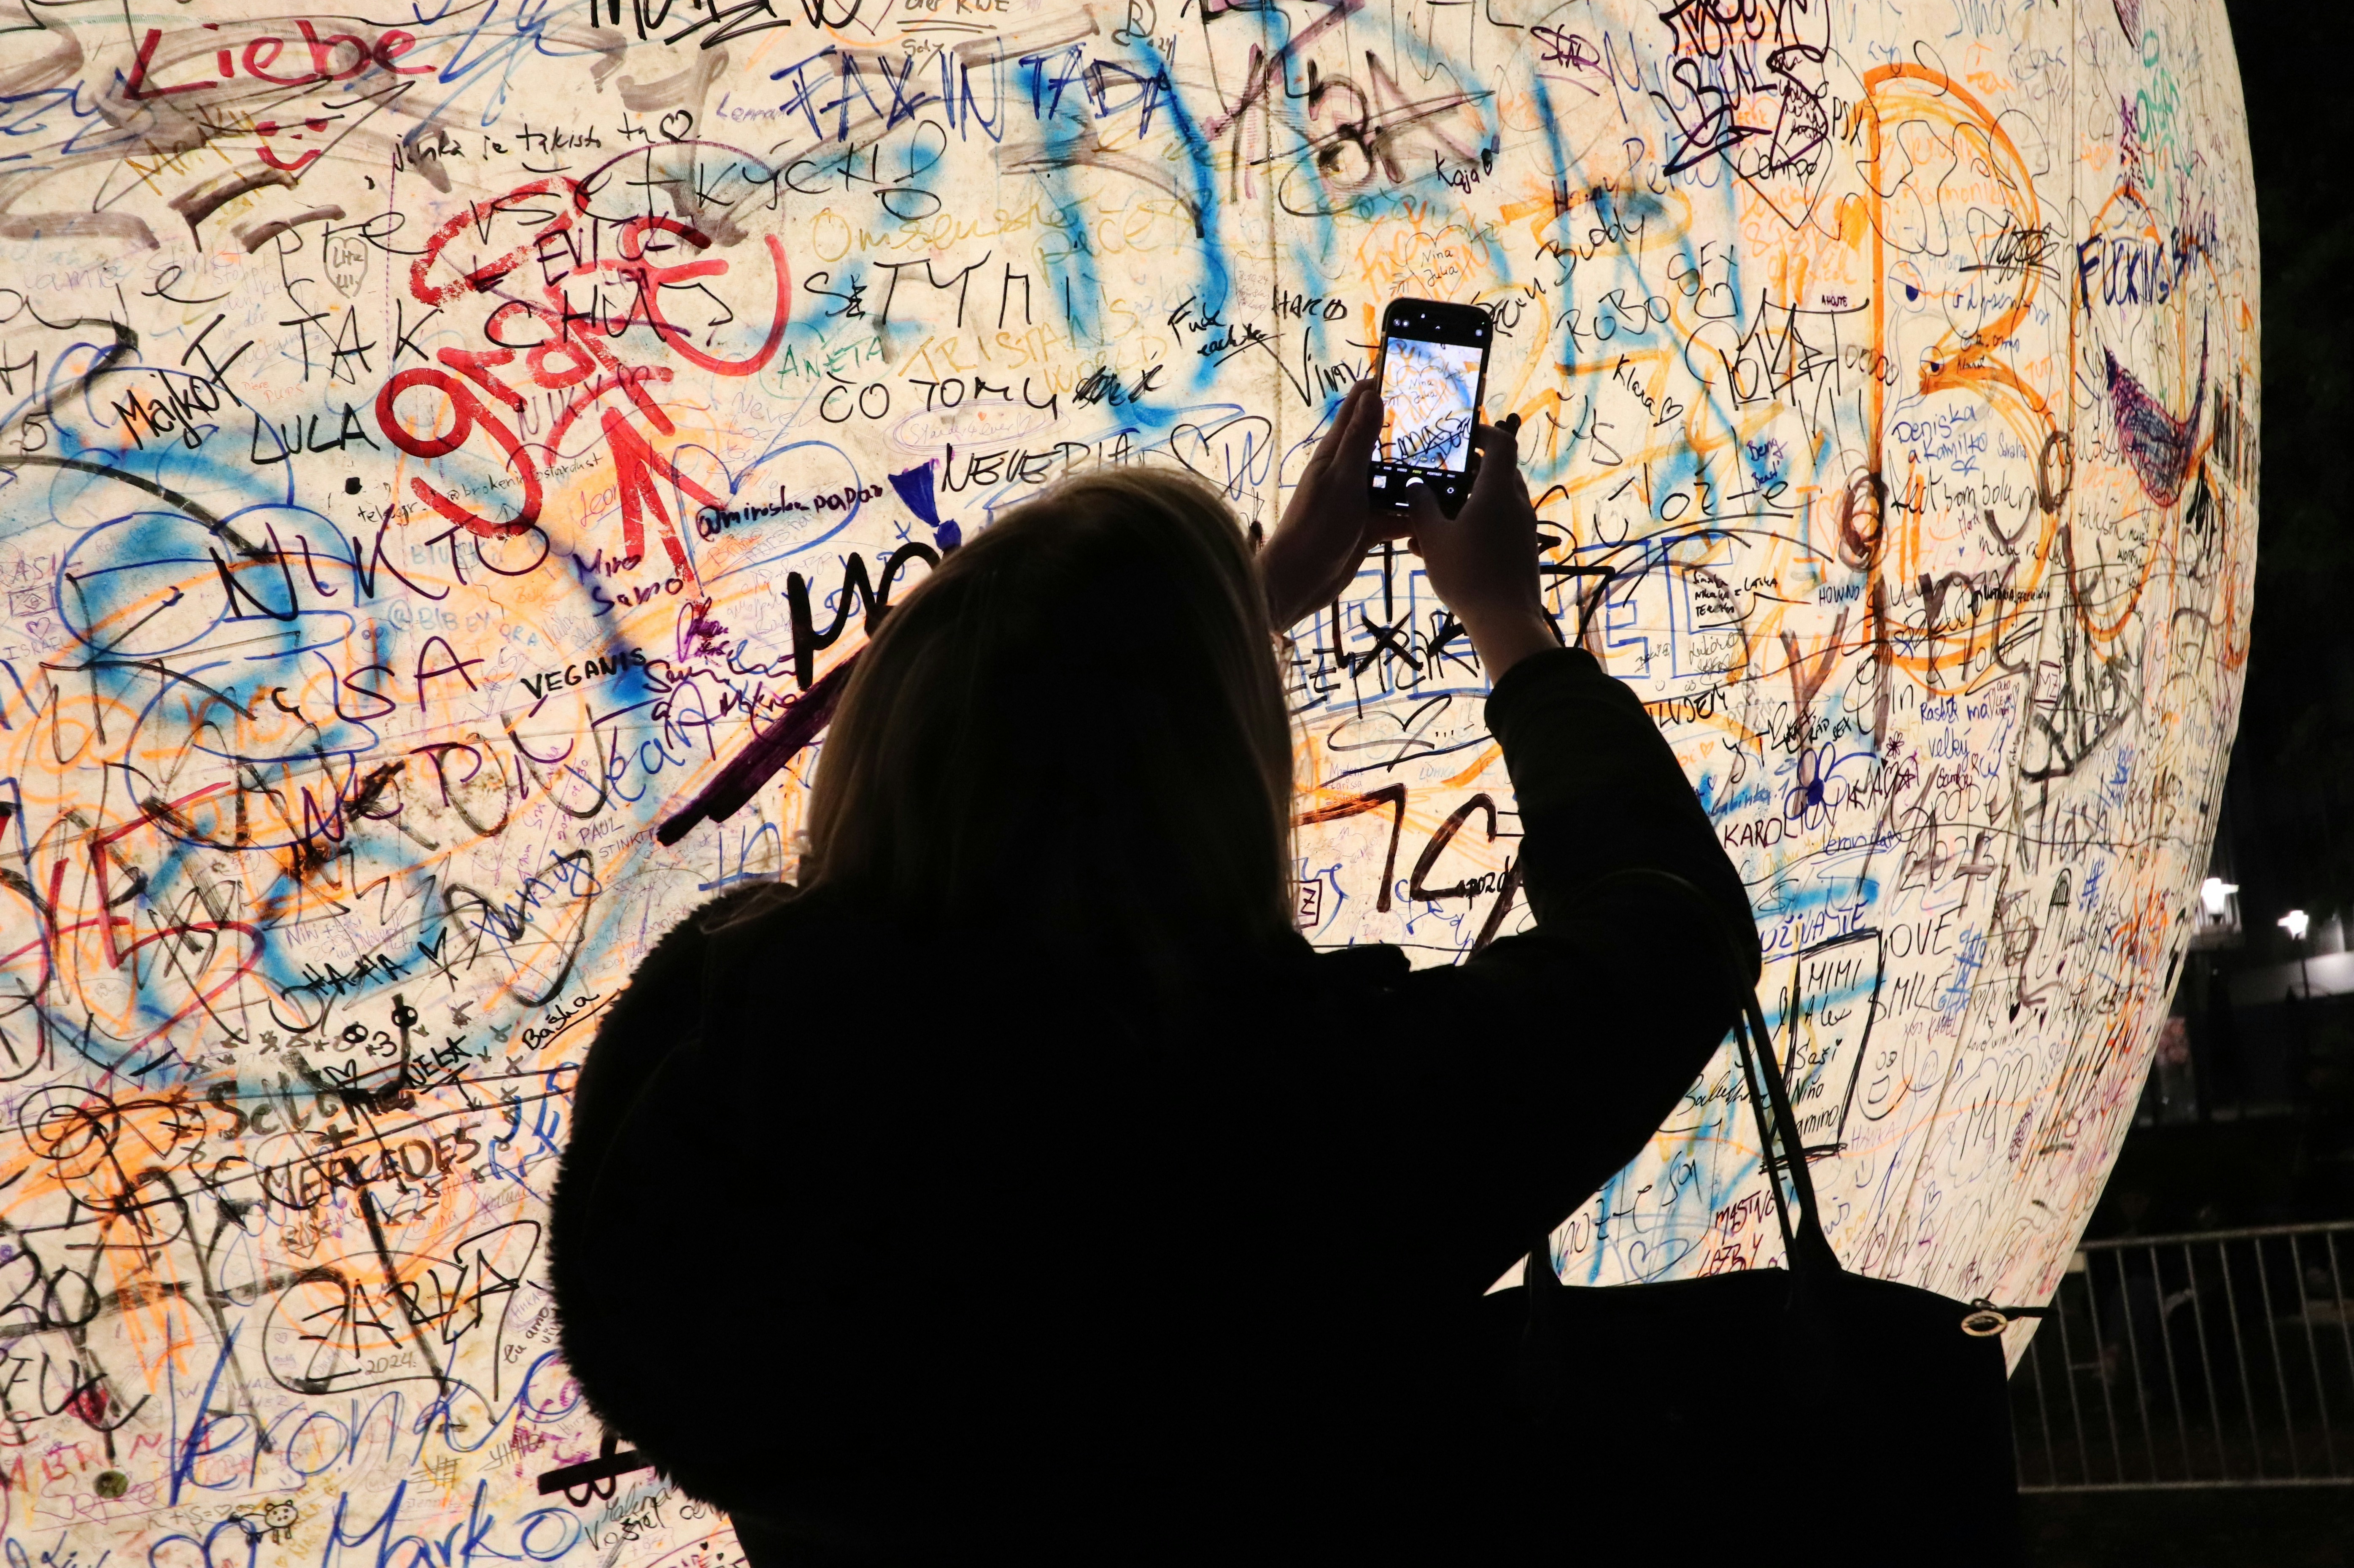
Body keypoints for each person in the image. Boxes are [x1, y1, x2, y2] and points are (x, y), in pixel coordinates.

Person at [548, 381, 1762, 1561]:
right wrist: (1513, 625)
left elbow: (1017, 740)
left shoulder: (724, 1085)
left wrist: (1235, 611)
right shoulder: (1280, 1137)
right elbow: (1668, 930)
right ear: (1212, 805)